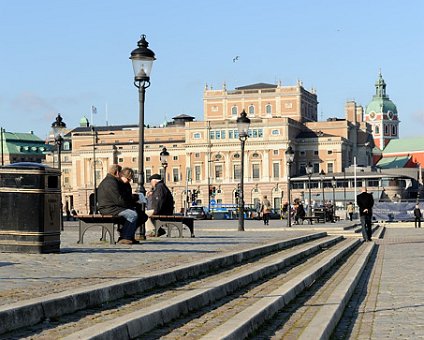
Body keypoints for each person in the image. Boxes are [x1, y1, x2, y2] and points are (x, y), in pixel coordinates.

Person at [97, 164, 139, 244]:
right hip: (109, 208)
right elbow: (118, 200)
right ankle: (125, 237)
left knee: (134, 213)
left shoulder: (111, 181)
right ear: (116, 173)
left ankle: (127, 236)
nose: (121, 175)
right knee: (132, 214)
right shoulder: (111, 182)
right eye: (120, 172)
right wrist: (128, 206)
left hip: (110, 207)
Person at [119, 167, 148, 239]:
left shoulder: (127, 185)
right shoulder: (119, 184)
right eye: (128, 179)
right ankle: (126, 236)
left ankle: (129, 233)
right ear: (123, 176)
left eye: (130, 179)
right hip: (122, 207)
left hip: (128, 205)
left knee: (143, 217)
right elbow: (122, 198)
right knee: (133, 215)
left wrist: (134, 197)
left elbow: (128, 196)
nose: (129, 181)